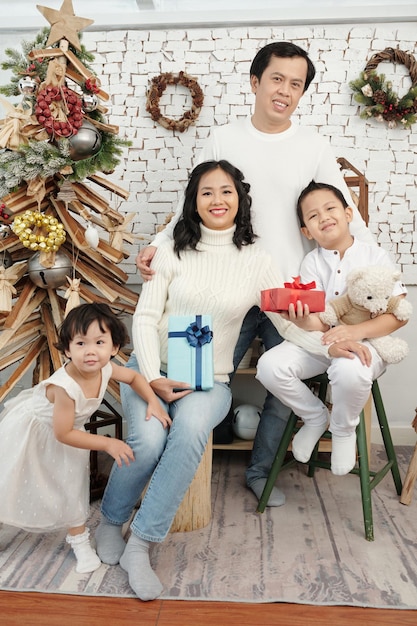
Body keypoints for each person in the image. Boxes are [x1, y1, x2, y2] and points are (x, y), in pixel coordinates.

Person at [136, 41, 375, 506]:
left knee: (282, 382)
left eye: (296, 84)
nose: (285, 91)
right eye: (277, 79)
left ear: (302, 93)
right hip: (225, 284)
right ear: (255, 82)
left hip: (289, 290)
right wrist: (158, 244)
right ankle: (175, 475)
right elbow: (193, 205)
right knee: (195, 373)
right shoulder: (225, 139)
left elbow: (345, 214)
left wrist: (376, 269)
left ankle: (262, 473)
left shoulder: (313, 146)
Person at [95, 160, 332, 601]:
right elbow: (144, 318)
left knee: (187, 433)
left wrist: (333, 342)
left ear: (240, 200)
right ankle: (112, 520)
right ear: (194, 201)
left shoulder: (258, 259)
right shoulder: (170, 252)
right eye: (207, 192)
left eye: (226, 191)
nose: (217, 200)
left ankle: (141, 544)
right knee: (146, 441)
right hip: (151, 373)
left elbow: (288, 325)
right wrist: (150, 379)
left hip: (210, 381)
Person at [0, 303, 169, 574]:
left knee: (70, 487)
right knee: (12, 480)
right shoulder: (65, 388)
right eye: (81, 343)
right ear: (67, 350)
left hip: (68, 434)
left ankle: (79, 542)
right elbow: (63, 432)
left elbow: (135, 377)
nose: (91, 351)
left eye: (99, 342)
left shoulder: (106, 368)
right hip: (36, 432)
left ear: (113, 348)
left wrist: (153, 402)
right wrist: (108, 443)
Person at [256, 181, 408, 475]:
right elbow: (319, 321)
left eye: (330, 209)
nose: (323, 217)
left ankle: (342, 430)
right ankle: (314, 416)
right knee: (269, 366)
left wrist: (354, 332)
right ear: (306, 232)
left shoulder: (374, 255)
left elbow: (399, 316)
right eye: (313, 216)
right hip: (322, 342)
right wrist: (299, 319)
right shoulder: (311, 263)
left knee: (349, 367)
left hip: (368, 344)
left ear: (348, 213)